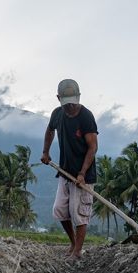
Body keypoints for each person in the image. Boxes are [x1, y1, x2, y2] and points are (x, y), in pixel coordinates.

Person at [40, 79, 99, 260]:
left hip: (83, 176)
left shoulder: (86, 117)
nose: (70, 107)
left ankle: (77, 251)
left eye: (73, 103)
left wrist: (82, 173)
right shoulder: (57, 114)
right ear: (59, 99)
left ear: (78, 98)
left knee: (79, 214)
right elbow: (50, 131)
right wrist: (45, 151)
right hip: (65, 173)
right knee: (59, 210)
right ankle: (73, 244)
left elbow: (93, 147)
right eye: (67, 104)